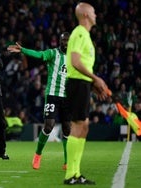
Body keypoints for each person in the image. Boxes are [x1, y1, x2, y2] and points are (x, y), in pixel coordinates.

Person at [7, 32, 71, 170]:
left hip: (67, 97)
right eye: (64, 40)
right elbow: (39, 54)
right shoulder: (53, 53)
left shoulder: (73, 58)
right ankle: (37, 155)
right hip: (53, 94)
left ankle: (67, 162)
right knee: (49, 126)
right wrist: (23, 50)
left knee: (67, 129)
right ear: (60, 42)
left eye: (68, 40)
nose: (66, 42)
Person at [64, 2, 109, 185]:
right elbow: (75, 62)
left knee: (84, 127)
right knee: (77, 126)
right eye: (93, 12)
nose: (96, 14)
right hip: (77, 83)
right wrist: (95, 78)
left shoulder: (85, 35)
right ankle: (70, 175)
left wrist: (93, 83)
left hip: (83, 84)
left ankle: (76, 173)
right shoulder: (80, 32)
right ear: (85, 15)